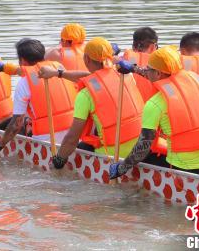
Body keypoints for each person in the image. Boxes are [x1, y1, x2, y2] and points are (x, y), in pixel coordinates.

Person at [109, 46, 199, 179]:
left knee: (142, 157)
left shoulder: (155, 104)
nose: (146, 72)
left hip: (179, 170)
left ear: (158, 73)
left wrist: (121, 168)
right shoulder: (196, 81)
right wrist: (133, 68)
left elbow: (143, 147)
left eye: (148, 69)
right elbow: (160, 75)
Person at [38, 38, 144, 168]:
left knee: (76, 147)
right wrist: (57, 73)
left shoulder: (85, 95)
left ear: (86, 59)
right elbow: (90, 76)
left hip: (113, 154)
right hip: (141, 148)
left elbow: (72, 139)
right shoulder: (125, 76)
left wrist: (58, 161)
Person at [0, 38, 77, 157]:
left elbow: (16, 125)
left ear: (22, 60)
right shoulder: (59, 68)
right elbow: (28, 71)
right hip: (73, 137)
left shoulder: (24, 83)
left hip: (46, 142)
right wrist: (4, 68)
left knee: (17, 121)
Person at [121, 27, 159, 102]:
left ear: (133, 46)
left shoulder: (121, 61)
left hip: (131, 108)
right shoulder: (160, 63)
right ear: (153, 47)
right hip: (152, 108)